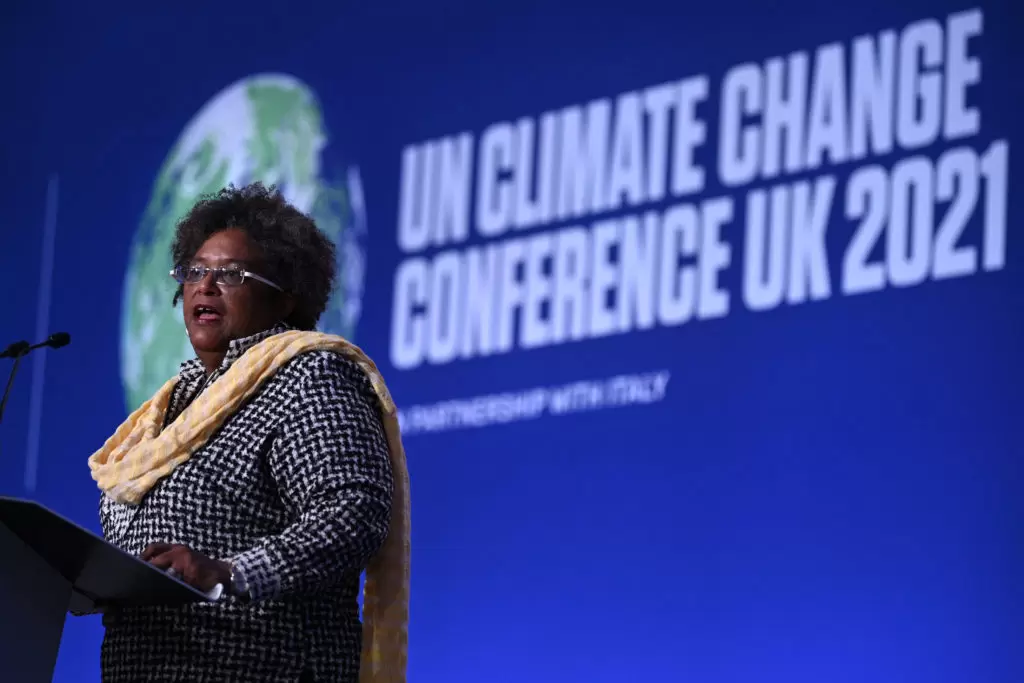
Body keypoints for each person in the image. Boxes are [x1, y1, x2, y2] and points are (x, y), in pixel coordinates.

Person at [87, 183, 410, 683]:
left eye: (230, 274)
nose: (204, 287)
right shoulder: (170, 409)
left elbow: (353, 513)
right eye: (194, 272)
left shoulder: (307, 375)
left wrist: (229, 572)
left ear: (285, 297)